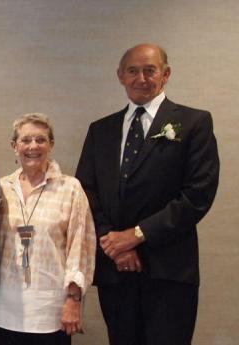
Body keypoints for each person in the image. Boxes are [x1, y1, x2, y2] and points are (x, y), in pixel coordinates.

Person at [76, 43, 219, 345]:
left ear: (165, 74)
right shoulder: (100, 130)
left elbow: (198, 195)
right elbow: (86, 192)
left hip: (169, 269)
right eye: (133, 70)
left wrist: (137, 235)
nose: (141, 78)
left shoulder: (193, 123)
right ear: (120, 76)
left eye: (149, 70)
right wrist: (113, 242)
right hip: (115, 266)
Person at [0, 113, 96, 345]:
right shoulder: (1, 188)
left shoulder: (70, 188)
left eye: (41, 140)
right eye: (26, 140)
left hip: (52, 309)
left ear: (51, 145)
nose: (33, 146)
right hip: (6, 307)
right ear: (14, 146)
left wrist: (73, 298)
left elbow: (82, 247)